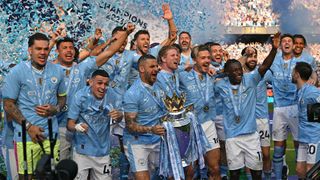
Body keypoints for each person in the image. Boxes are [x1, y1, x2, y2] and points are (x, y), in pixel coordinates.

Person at [53, 24, 134, 160]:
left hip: (83, 128)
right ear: (57, 51)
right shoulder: (51, 70)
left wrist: (126, 34)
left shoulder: (82, 68)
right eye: (64, 48)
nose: (69, 51)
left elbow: (108, 53)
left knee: (81, 170)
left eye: (71, 48)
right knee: (61, 170)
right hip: (61, 127)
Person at [215, 32, 280, 180]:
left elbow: (264, 67)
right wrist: (219, 73)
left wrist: (274, 49)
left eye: (239, 69)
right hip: (232, 137)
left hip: (251, 136)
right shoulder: (221, 85)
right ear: (228, 73)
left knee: (257, 172)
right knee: (235, 173)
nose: (239, 73)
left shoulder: (250, 80)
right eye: (235, 71)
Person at [2, 32, 67, 179]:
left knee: (51, 176)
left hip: (51, 134)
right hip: (26, 136)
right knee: (26, 177)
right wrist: (29, 127)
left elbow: (63, 98)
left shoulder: (58, 71)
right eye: (38, 49)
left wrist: (55, 109)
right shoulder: (17, 72)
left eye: (45, 49)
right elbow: (8, 105)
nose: (43, 52)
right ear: (30, 50)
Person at [271, 34, 317, 179]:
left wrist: (313, 81)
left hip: (295, 107)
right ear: (280, 45)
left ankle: (300, 175)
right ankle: (279, 176)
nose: (287, 43)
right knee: (278, 146)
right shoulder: (274, 58)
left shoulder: (303, 61)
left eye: (289, 41)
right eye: (284, 41)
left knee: (300, 144)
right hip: (279, 107)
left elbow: (313, 75)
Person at [67, 70, 123, 180]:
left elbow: (119, 117)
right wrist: (77, 127)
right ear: (91, 82)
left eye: (106, 84)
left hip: (103, 151)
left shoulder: (112, 95)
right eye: (99, 83)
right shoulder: (80, 96)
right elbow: (70, 125)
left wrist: (119, 115)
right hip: (81, 151)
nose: (103, 87)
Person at [179, 45, 221, 179]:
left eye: (209, 58)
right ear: (194, 60)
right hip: (190, 127)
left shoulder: (212, 74)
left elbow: (233, 68)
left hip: (208, 124)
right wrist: (184, 67)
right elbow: (165, 71)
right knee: (190, 172)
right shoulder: (183, 76)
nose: (207, 61)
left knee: (215, 168)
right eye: (203, 58)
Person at [123, 54, 165, 180]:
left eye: (157, 66)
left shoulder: (160, 85)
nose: (156, 69)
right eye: (152, 66)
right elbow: (130, 126)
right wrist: (151, 129)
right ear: (142, 69)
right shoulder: (132, 93)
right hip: (137, 143)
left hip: (157, 140)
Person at [239, 46, 273, 179]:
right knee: (249, 155)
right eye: (249, 55)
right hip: (246, 121)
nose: (253, 58)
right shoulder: (237, 74)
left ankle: (268, 177)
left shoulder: (264, 73)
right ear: (243, 58)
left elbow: (281, 83)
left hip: (262, 119)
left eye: (255, 55)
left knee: (265, 154)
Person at [128, 4, 177, 86]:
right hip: (135, 95)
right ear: (135, 42)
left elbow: (172, 38)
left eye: (148, 39)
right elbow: (142, 60)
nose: (146, 41)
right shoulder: (130, 55)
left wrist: (170, 20)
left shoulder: (153, 52)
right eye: (142, 39)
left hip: (151, 93)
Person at [292, 62, 320, 179]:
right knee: (299, 170)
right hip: (303, 137)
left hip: (313, 137)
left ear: (297, 74)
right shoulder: (300, 91)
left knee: (311, 171)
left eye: (293, 72)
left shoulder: (311, 91)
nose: (291, 74)